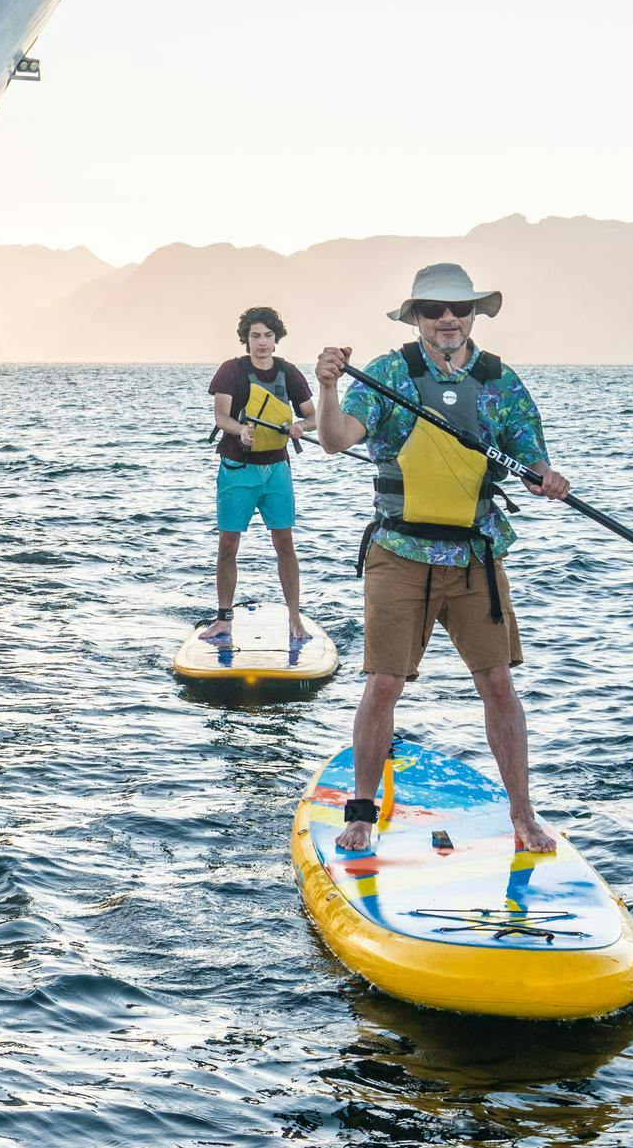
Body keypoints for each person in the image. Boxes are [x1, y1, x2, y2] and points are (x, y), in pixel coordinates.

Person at [315, 263, 571, 855]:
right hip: (399, 552)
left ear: (475, 313)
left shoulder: (499, 382)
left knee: (499, 684)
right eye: (434, 309)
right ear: (416, 317)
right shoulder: (386, 373)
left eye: (459, 308)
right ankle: (360, 812)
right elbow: (334, 439)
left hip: (475, 557)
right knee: (383, 684)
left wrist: (546, 478)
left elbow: (530, 459)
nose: (448, 318)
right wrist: (326, 387)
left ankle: (523, 815)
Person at [201, 306, 317, 647]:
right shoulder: (231, 371)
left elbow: (312, 417)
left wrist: (299, 426)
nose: (262, 342)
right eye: (255, 336)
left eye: (267, 336)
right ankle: (223, 619)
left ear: (276, 339)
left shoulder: (289, 373)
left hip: (277, 471)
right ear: (246, 339)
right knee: (228, 544)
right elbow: (222, 417)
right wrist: (241, 431)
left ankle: (294, 617)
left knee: (285, 543)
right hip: (238, 469)